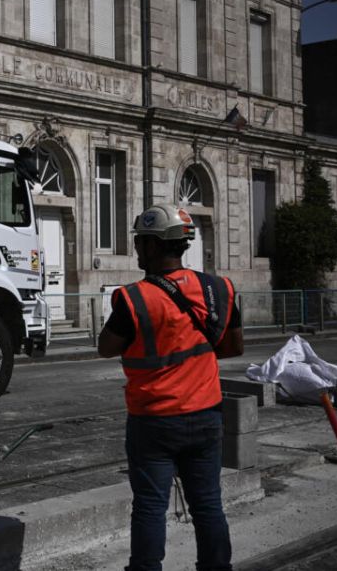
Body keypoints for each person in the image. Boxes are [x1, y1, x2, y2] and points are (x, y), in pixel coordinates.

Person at [97, 204, 244, 571]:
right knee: (208, 504)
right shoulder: (218, 289)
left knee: (150, 506)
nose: (136, 249)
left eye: (139, 242)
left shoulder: (134, 298)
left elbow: (106, 347)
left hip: (154, 419)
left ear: (153, 245)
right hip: (206, 414)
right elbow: (232, 347)